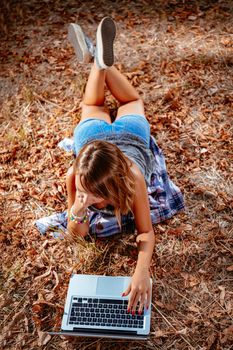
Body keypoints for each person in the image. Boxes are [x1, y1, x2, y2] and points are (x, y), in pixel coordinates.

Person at [66, 17, 184, 315]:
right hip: (95, 140)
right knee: (113, 102)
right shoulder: (75, 174)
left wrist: (142, 271)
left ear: (111, 190)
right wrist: (77, 211)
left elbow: (145, 233)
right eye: (82, 188)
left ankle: (96, 58)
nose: (85, 197)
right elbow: (75, 235)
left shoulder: (133, 180)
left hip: (128, 136)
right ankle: (98, 60)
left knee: (103, 105)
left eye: (92, 195)